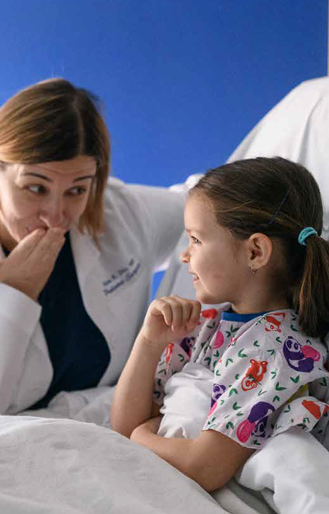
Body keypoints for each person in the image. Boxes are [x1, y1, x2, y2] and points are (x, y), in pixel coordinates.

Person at [0, 78, 187, 420]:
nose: (55, 215)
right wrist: (15, 294)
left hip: (121, 432)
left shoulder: (121, 213)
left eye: (77, 190)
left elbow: (209, 206)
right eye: (36, 187)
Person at [111, 156, 329, 493]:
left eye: (196, 240)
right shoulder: (205, 326)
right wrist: (149, 342)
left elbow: (203, 467)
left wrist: (141, 435)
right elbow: (124, 422)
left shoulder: (281, 351)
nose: (184, 256)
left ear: (255, 252)